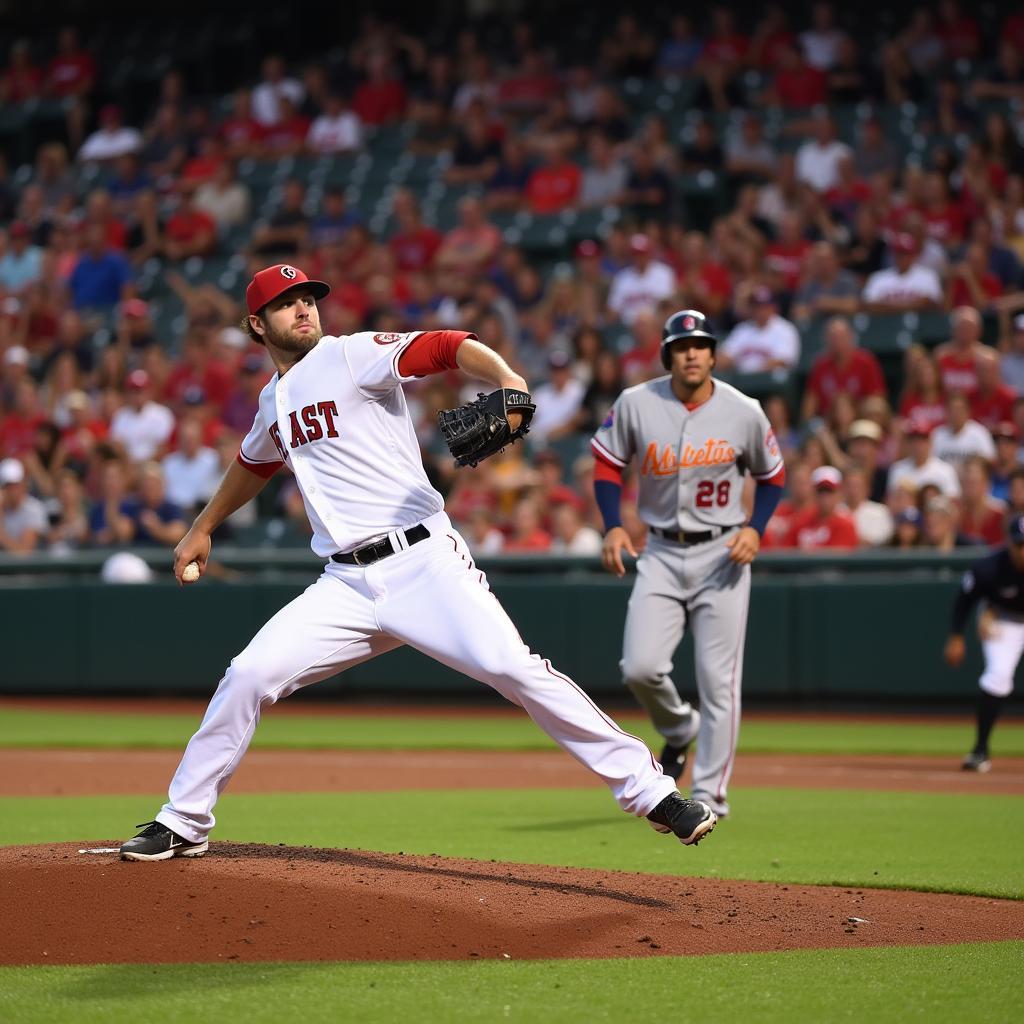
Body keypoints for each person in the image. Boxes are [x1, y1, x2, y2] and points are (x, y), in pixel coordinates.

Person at [119, 264, 716, 861]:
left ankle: (653, 792)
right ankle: (183, 820)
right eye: (285, 303)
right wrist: (202, 527)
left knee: (513, 668)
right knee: (247, 675)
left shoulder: (350, 355)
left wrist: (508, 376)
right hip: (346, 584)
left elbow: (445, 346)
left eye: (308, 299)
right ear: (257, 323)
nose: (303, 309)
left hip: (424, 562)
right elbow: (254, 462)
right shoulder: (272, 400)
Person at [591, 309, 785, 819]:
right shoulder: (636, 402)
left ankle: (710, 795)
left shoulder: (744, 410)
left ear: (714, 354)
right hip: (659, 551)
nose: (692, 353)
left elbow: (773, 477)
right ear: (668, 355)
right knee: (640, 667)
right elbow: (607, 465)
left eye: (700, 345)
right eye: (682, 346)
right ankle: (679, 726)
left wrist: (754, 528)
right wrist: (613, 523)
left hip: (722, 553)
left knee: (719, 681)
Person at [944, 515, 1024, 772]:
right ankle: (980, 751)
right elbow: (965, 600)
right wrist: (956, 636)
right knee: (998, 676)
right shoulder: (989, 567)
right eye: (1020, 545)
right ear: (1009, 543)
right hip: (1004, 622)